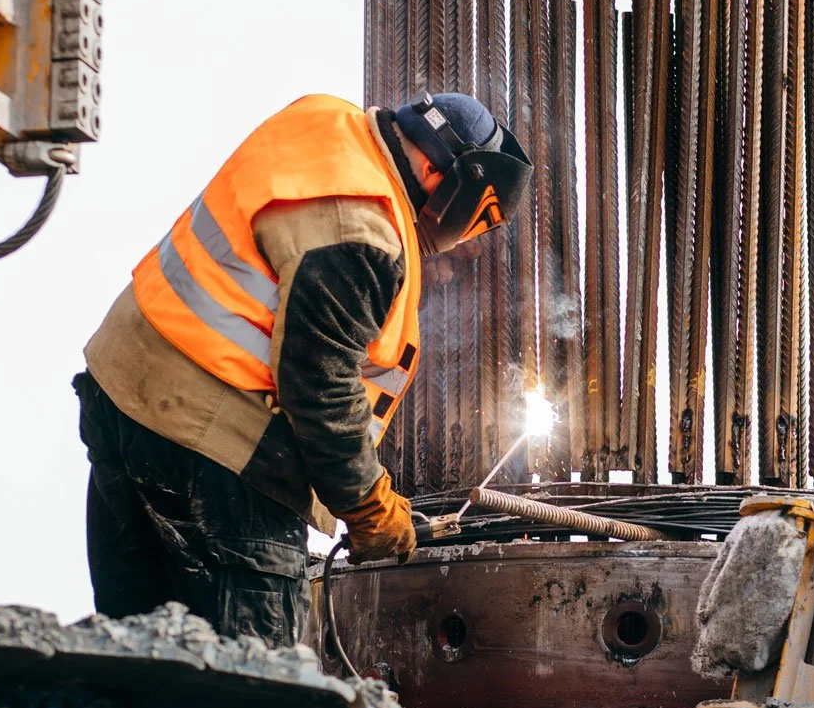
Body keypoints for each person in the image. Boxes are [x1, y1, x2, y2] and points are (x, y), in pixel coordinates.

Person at [75, 92, 531, 647]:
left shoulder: (323, 122)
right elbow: (319, 386)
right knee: (254, 688)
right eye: (473, 226)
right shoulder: (366, 231)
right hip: (217, 453)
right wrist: (369, 507)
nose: (458, 246)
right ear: (443, 180)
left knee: (134, 652)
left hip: (122, 393)